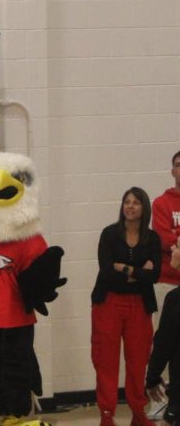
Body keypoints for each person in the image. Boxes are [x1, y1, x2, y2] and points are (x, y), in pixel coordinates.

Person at [92, 187, 161, 426]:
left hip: (140, 306)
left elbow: (155, 275)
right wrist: (140, 272)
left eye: (135, 203)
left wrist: (125, 268)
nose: (130, 206)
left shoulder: (152, 238)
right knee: (106, 361)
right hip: (108, 303)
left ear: (144, 208)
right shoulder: (109, 234)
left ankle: (138, 413)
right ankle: (107, 415)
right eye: (126, 202)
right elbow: (106, 272)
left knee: (138, 361)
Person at [148, 244, 180, 426]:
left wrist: (152, 378)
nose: (173, 249)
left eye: (178, 247)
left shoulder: (175, 299)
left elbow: (163, 344)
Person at [152, 151, 180, 288]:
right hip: (168, 281)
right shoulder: (161, 203)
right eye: (178, 165)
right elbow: (163, 239)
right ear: (173, 171)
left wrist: (176, 234)